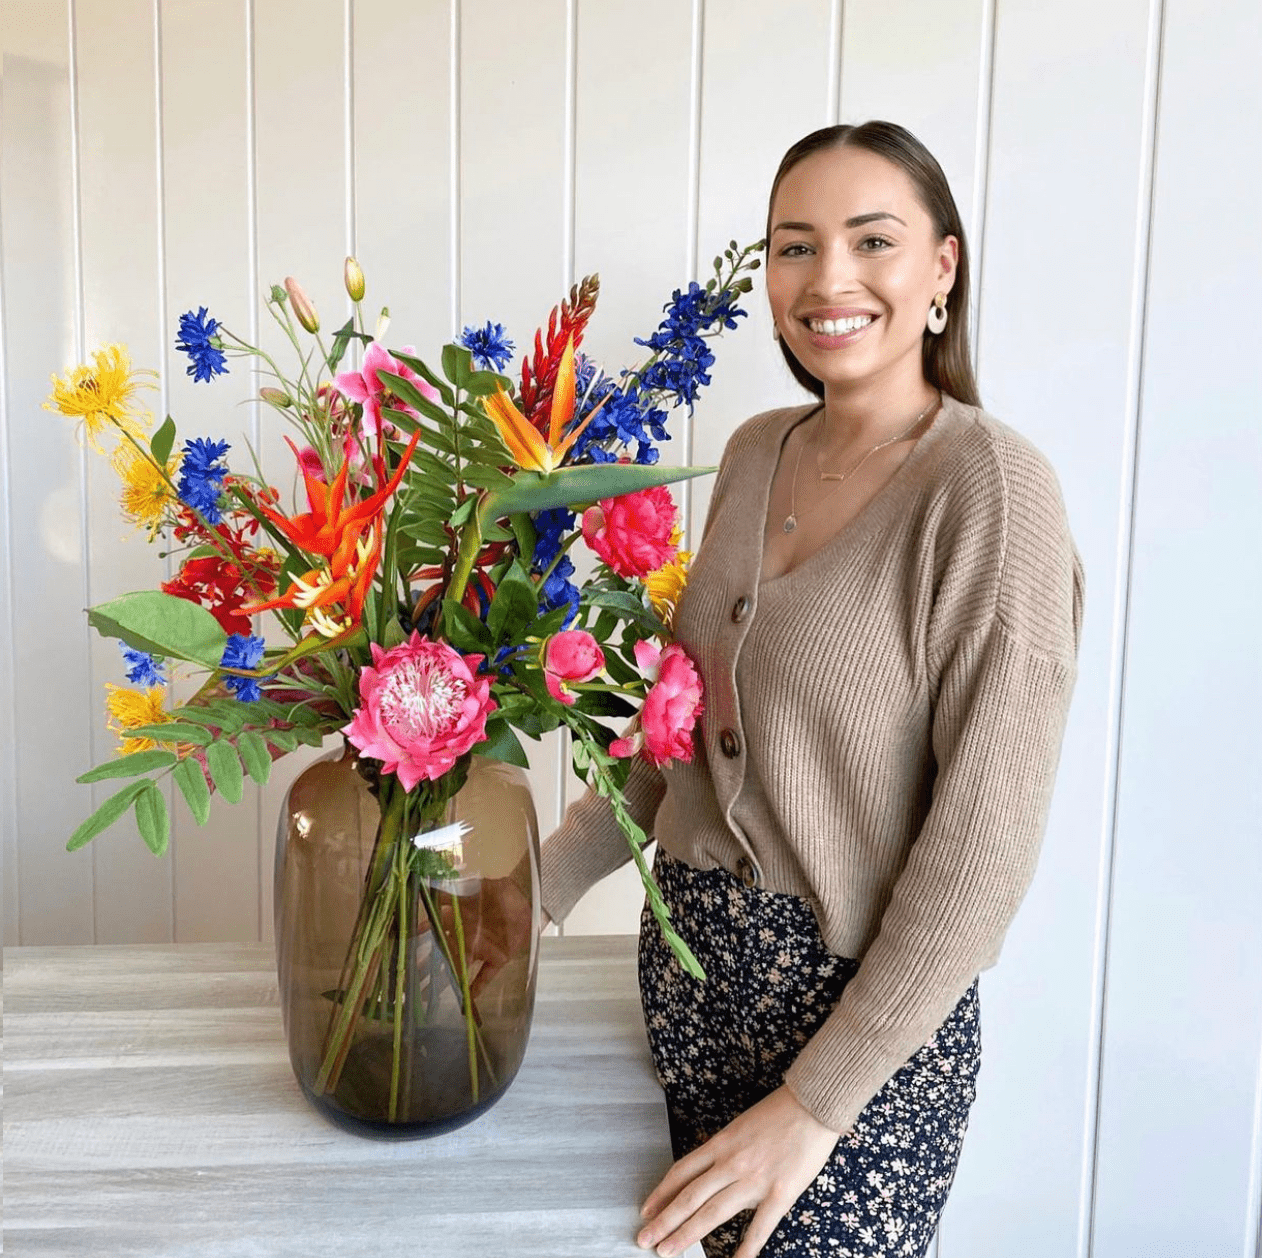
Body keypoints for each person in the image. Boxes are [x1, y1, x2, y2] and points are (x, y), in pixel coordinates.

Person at [538, 120, 1085, 1258]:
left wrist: (814, 1105)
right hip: (686, 995)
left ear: (940, 268)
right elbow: (672, 738)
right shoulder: (752, 452)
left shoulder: (991, 493)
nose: (825, 279)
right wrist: (523, 895)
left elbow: (978, 856)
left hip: (857, 1049)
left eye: (869, 240)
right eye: (793, 247)